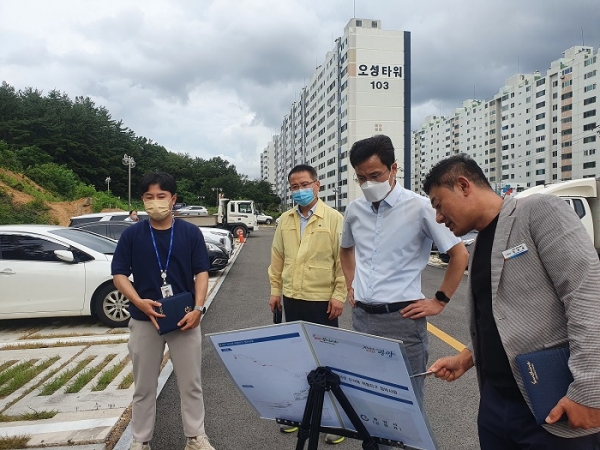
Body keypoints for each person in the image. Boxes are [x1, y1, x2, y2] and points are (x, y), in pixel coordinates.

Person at [424, 154, 600, 449]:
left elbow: (587, 294)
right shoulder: (479, 244)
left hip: (552, 403)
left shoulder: (538, 211)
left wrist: (588, 390)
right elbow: (499, 316)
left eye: (439, 205)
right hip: (496, 404)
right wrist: (468, 357)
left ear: (464, 185)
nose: (439, 218)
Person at [339, 135, 469, 403]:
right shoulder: (354, 210)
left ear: (394, 169)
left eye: (375, 175)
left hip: (402, 319)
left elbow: (459, 254)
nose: (368, 183)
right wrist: (351, 284)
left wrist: (439, 301)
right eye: (361, 178)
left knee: (406, 400)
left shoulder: (420, 207)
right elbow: (345, 249)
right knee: (369, 396)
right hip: (363, 317)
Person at [112, 172, 215, 450]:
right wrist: (139, 301)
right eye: (149, 197)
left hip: (184, 318)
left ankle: (195, 437)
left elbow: (202, 272)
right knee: (143, 386)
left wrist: (198, 308)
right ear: (142, 200)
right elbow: (119, 275)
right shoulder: (132, 234)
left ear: (173, 199)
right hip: (144, 320)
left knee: (190, 383)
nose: (155, 202)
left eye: (161, 196)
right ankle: (140, 440)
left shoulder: (190, 232)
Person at [268, 164, 347, 445]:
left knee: (327, 362)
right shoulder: (285, 220)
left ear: (317, 185)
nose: (299, 191)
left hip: (322, 301)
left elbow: (344, 262)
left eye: (304, 184)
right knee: (298, 360)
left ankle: (335, 422)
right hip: (292, 297)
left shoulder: (335, 219)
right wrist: (275, 291)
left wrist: (339, 295)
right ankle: (300, 416)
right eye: (294, 187)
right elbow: (277, 259)